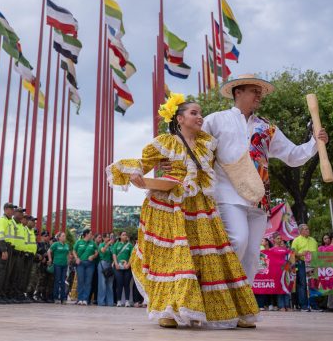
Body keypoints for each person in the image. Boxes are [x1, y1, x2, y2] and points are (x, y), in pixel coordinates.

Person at [109, 95, 259, 328]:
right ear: (179, 119)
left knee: (209, 258)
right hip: (170, 207)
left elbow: (225, 164)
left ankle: (223, 311)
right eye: (194, 113)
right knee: (172, 258)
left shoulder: (207, 143)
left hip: (201, 207)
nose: (200, 117)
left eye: (200, 113)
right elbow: (143, 163)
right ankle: (167, 310)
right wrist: (136, 174)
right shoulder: (166, 142)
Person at [202, 74, 328, 287]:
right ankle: (220, 292)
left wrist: (315, 142)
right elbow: (195, 147)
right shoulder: (215, 120)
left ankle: (244, 299)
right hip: (227, 194)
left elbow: (292, 155)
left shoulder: (267, 127)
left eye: (260, 92)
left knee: (253, 253)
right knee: (238, 240)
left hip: (259, 198)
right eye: (254, 91)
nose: (259, 95)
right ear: (238, 92)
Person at [0, 202, 19, 303]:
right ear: (6, 209)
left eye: (13, 209)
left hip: (10, 248)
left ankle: (2, 294)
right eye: (11, 209)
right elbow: (0, 236)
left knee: (7, 273)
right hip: (4, 246)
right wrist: (3, 250)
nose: (13, 211)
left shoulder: (11, 221)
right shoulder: (2, 220)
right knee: (1, 272)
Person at [290, 223, 320, 312]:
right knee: (303, 284)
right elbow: (292, 253)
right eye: (306, 229)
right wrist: (301, 254)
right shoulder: (296, 240)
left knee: (313, 283)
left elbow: (317, 252)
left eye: (308, 229)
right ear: (300, 231)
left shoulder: (313, 240)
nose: (308, 230)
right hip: (302, 263)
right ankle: (303, 305)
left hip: (312, 263)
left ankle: (313, 305)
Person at [72, 229, 97, 306]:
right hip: (81, 264)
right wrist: (76, 258)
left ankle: (85, 299)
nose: (91, 235)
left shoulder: (93, 243)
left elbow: (97, 252)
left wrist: (93, 256)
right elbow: (74, 251)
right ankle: (80, 299)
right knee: (81, 281)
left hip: (90, 264)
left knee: (88, 282)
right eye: (90, 233)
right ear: (86, 234)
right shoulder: (79, 242)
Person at [271, 234, 293, 311]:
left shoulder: (285, 249)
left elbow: (289, 259)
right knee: (279, 287)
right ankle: (281, 305)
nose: (280, 240)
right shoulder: (272, 250)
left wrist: (289, 266)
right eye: (278, 238)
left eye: (280, 238)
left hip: (285, 270)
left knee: (286, 286)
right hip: (277, 271)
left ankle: (287, 305)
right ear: (274, 240)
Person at [112, 231, 133, 307]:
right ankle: (119, 301)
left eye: (126, 235)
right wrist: (116, 264)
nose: (125, 236)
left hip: (127, 267)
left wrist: (128, 264)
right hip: (118, 267)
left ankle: (127, 301)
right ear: (120, 236)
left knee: (126, 284)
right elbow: (114, 254)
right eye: (123, 235)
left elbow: (132, 256)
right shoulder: (116, 244)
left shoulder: (130, 245)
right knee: (119, 283)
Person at [48, 232, 70, 304]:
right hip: (57, 264)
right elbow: (49, 251)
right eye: (63, 236)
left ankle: (63, 299)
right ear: (59, 237)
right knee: (57, 280)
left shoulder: (66, 245)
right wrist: (50, 259)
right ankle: (56, 297)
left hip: (64, 265)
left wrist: (68, 260)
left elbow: (68, 253)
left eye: (65, 236)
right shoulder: (55, 244)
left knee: (63, 281)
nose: (64, 237)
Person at [96, 233, 115, 306]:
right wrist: (108, 244)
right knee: (102, 284)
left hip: (110, 264)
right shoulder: (101, 244)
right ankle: (101, 302)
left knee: (110, 284)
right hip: (103, 264)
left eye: (109, 237)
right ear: (103, 238)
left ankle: (110, 302)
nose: (109, 239)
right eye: (107, 237)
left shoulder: (111, 246)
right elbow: (103, 250)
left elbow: (114, 255)